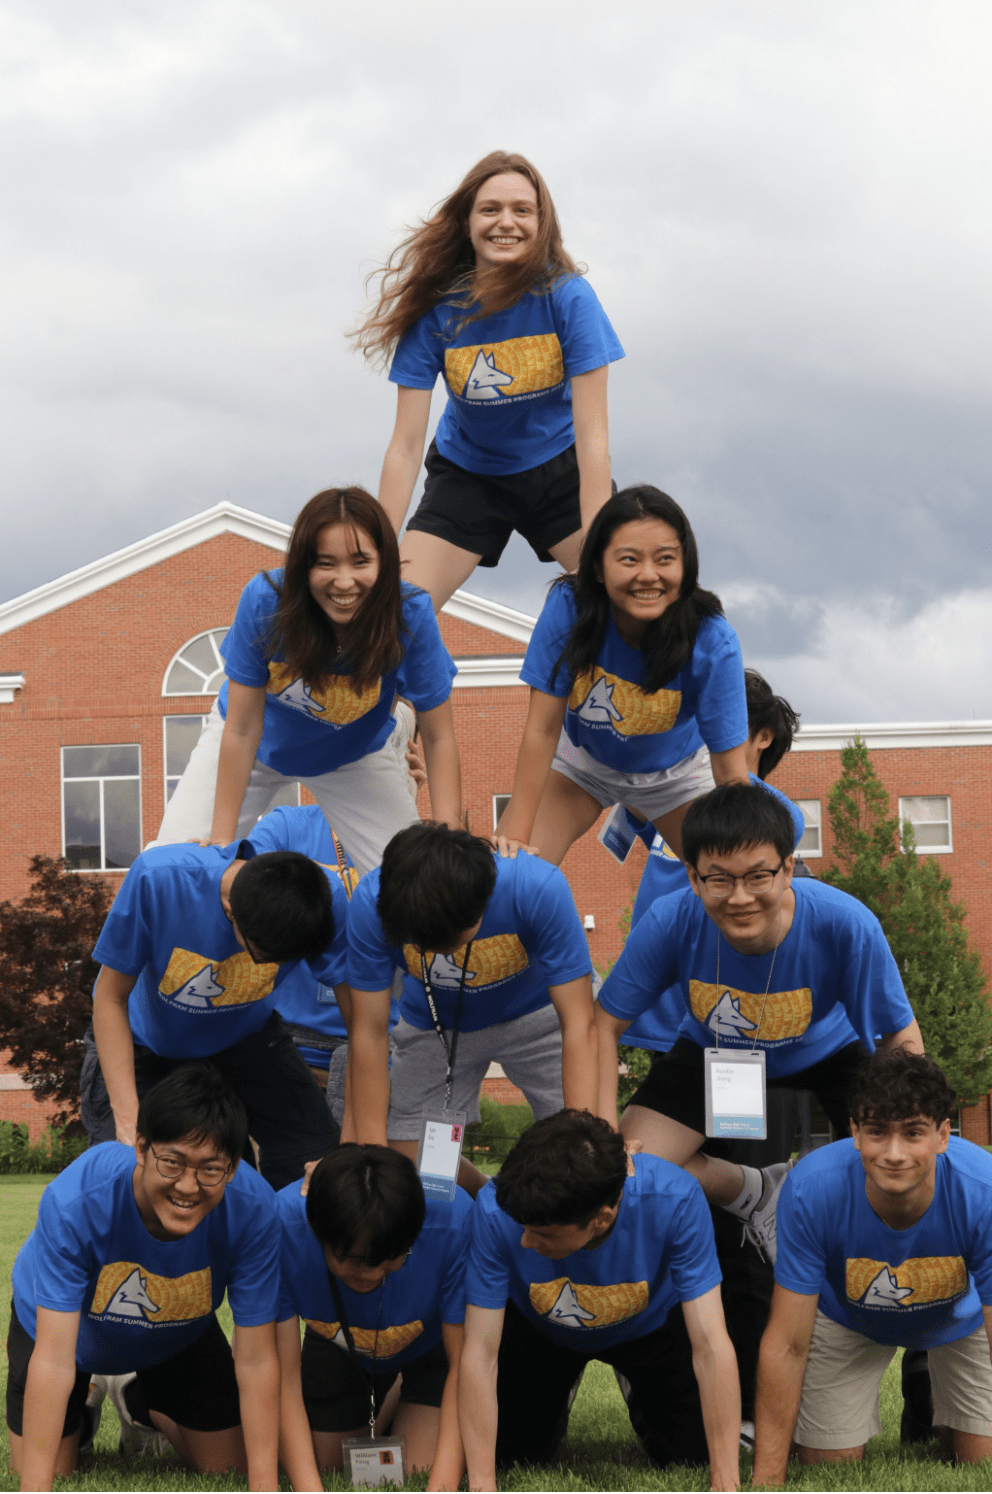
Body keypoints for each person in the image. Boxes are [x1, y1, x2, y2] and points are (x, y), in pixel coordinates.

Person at [596, 782, 924, 1261]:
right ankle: (754, 1193)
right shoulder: (671, 920)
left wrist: (909, 1122)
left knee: (901, 1173)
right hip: (715, 1050)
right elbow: (600, 1026)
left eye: (758, 877)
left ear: (788, 868)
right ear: (692, 877)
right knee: (623, 1173)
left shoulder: (843, 922)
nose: (739, 897)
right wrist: (605, 1135)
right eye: (719, 879)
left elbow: (900, 1032)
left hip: (828, 1050)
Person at [356, 150, 624, 610]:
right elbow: (404, 446)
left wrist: (604, 554)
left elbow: (594, 437)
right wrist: (375, 552)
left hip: (560, 470)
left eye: (522, 210)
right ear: (467, 222)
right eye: (490, 209)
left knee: (619, 602)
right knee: (392, 614)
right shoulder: (438, 311)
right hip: (469, 474)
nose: (507, 222)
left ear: (542, 224)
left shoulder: (569, 298)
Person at [155, 486, 461, 874]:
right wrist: (220, 842)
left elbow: (438, 736)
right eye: (326, 564)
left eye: (360, 562)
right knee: (179, 871)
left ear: (384, 562)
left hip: (353, 753)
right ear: (303, 566)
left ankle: (395, 727)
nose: (345, 582)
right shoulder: (266, 602)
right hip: (257, 745)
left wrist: (451, 835)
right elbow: (243, 728)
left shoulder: (409, 613)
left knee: (417, 888)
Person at [7, 1066, 281, 1491]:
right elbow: (53, 1359)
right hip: (69, 1338)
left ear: (233, 1167)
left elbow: (258, 1359)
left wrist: (263, 1486)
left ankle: (138, 1401)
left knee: (230, 1468)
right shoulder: (77, 1199)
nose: (188, 1187)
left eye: (211, 1169)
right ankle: (87, 1403)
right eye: (172, 1162)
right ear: (141, 1147)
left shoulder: (254, 1208)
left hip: (176, 1332)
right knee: (43, 1471)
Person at [458, 1110, 741, 1488]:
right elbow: (479, 1352)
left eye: (541, 1233)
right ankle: (557, 1389)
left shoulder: (675, 1198)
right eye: (522, 1228)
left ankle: (636, 1385)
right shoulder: (495, 1210)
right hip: (540, 1331)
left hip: (649, 1329)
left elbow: (710, 1344)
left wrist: (727, 1480)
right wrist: (481, 1482)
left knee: (692, 1455)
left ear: (601, 1219)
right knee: (511, 1455)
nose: (525, 1241)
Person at [753, 1050, 992, 1479]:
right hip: (848, 1317)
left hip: (959, 1317)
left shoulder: (984, 1191)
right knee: (829, 1469)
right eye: (877, 1131)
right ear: (855, 1133)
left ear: (942, 1136)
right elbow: (787, 1344)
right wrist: (766, 1480)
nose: (894, 1153)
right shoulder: (811, 1189)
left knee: (981, 1460)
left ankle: (928, 1393)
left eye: (913, 1133)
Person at [496, 487, 750, 866]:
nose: (648, 576)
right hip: (582, 763)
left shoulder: (712, 639)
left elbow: (730, 773)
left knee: (732, 875)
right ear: (598, 567)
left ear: (687, 565)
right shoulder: (570, 607)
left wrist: (742, 853)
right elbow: (541, 730)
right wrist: (513, 838)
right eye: (629, 559)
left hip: (677, 776)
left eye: (665, 559)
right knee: (512, 873)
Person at [345, 823, 598, 1193]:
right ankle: (489, 1197)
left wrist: (581, 1139)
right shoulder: (371, 904)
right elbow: (368, 1031)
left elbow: (580, 1023)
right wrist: (371, 1161)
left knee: (581, 1149)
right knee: (405, 1164)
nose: (436, 950)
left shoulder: (536, 886)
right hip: (434, 1026)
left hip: (541, 1016)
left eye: (451, 940)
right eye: (423, 944)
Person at [90, 833, 348, 1190]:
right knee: (124, 1175)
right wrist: (128, 1121)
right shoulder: (159, 877)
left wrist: (356, 1141)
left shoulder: (321, 895)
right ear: (230, 913)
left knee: (324, 1164)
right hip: (144, 1044)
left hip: (246, 1038)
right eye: (265, 958)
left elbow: (362, 1019)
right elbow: (109, 999)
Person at [276, 1145, 469, 1490]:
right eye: (355, 1260)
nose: (373, 1274)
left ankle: (399, 1390)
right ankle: (385, 1395)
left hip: (430, 1349)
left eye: (392, 1258)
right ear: (318, 1232)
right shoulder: (281, 1224)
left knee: (417, 1467)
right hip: (338, 1342)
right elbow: (283, 1375)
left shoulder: (453, 1219)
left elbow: (464, 1365)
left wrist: (441, 1487)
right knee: (327, 1463)